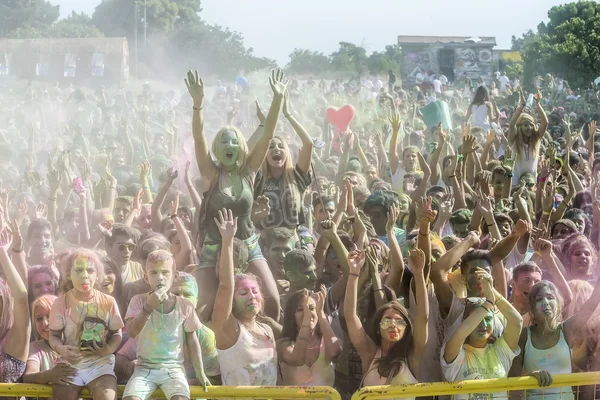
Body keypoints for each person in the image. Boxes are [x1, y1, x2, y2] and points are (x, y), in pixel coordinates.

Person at [186, 69, 286, 321]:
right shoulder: (210, 173)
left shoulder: (249, 170)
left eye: (234, 142)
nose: (230, 146)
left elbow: (268, 132)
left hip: (248, 245)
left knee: (272, 302)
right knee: (201, 309)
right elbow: (199, 139)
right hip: (213, 247)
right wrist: (198, 106)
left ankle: (269, 350)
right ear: (218, 148)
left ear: (240, 146)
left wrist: (278, 99)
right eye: (224, 142)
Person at [122, 250, 209, 400]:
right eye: (154, 273)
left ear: (174, 276)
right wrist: (148, 308)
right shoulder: (138, 301)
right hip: (144, 368)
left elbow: (193, 341)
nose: (160, 278)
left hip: (174, 369)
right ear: (146, 277)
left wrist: (200, 372)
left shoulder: (184, 305)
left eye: (165, 272)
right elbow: (131, 332)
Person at [344, 247, 428, 390]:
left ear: (406, 329)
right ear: (378, 327)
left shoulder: (412, 356)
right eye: (387, 320)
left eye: (399, 321)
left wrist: (419, 274)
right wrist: (354, 272)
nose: (393, 325)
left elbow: (423, 317)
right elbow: (350, 316)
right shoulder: (370, 353)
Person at [211, 209, 278, 385]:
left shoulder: (267, 330)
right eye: (243, 292)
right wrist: (227, 242)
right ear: (231, 301)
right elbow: (226, 285)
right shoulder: (228, 330)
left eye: (255, 291)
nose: (251, 296)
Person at [48, 248, 123, 400]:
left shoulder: (108, 302)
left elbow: (117, 333)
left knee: (107, 397)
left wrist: (107, 350)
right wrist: (61, 349)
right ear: (68, 275)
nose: (85, 276)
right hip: (70, 363)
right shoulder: (60, 303)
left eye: (90, 270)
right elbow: (53, 335)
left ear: (98, 275)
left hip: (100, 363)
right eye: (78, 270)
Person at [510, 279, 600, 400]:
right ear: (532, 307)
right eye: (539, 299)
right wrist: (530, 376)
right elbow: (512, 380)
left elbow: (593, 302)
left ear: (558, 302)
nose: (545, 303)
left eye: (550, 297)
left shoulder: (567, 329)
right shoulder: (524, 335)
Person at [442, 269, 523, 400]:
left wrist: (492, 292)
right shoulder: (457, 354)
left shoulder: (500, 351)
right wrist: (488, 303)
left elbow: (517, 321)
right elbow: (461, 333)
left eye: (488, 319)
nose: (483, 325)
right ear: (466, 321)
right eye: (478, 319)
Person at [254, 90, 313, 231]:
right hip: (265, 239)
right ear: (264, 153)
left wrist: (288, 114)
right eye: (271, 147)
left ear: (287, 153)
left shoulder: (296, 176)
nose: (276, 149)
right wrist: (263, 125)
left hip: (293, 238)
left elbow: (308, 143)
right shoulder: (258, 178)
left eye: (281, 146)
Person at [278, 287, 342, 386]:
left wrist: (320, 313)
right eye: (300, 309)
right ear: (291, 315)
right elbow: (297, 359)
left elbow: (334, 353)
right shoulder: (283, 345)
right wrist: (307, 321)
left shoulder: (327, 342)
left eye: (312, 308)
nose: (307, 313)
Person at [24, 294, 77, 385]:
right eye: (39, 319)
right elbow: (28, 377)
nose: (45, 323)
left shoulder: (77, 343)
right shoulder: (35, 347)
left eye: (50, 316)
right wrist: (49, 375)